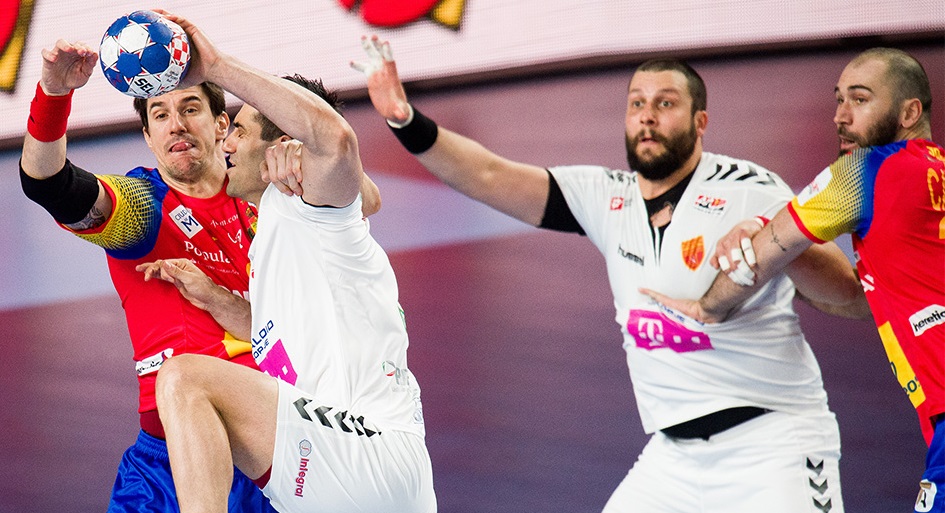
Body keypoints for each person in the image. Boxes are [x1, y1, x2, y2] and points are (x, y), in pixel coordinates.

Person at [353, 36, 867, 512]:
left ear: (700, 122)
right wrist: (405, 120)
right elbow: (489, 175)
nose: (648, 116)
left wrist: (775, 245)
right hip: (674, 457)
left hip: (774, 443)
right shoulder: (606, 197)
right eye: (637, 103)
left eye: (665, 103)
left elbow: (846, 293)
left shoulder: (749, 191)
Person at [18, 32, 377, 512]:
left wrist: (300, 152)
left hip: (278, 453)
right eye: (160, 115)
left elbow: (363, 197)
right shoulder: (143, 207)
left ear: (222, 123)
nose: (176, 126)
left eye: (190, 108)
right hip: (169, 464)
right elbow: (49, 184)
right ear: (148, 137)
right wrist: (53, 94)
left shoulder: (267, 196)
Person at [142, 11, 435, 513]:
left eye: (239, 130)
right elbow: (274, 332)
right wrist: (214, 298)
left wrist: (215, 66)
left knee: (183, 379)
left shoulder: (307, 205)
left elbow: (336, 142)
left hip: (366, 452)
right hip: (355, 475)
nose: (226, 143)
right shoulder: (273, 236)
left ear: (283, 147)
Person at [643, 47, 944, 513]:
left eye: (860, 100)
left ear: (909, 113)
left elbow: (761, 256)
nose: (841, 117)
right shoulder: (932, 177)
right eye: (838, 100)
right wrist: (765, 230)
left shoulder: (867, 172)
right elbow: (858, 297)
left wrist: (706, 308)